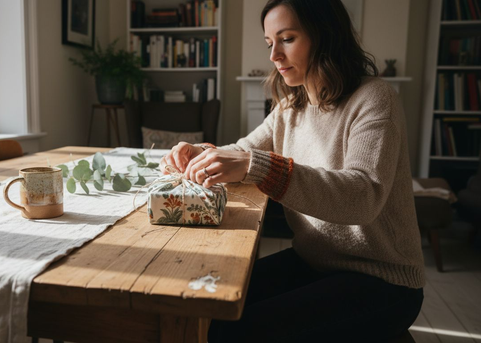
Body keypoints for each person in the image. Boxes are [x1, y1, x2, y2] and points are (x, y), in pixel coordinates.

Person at [160, 0, 425, 341]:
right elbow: (245, 149)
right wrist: (199, 152)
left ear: (325, 36)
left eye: (286, 39)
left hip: (383, 280)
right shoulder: (291, 105)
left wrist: (258, 167)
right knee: (208, 303)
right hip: (314, 261)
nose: (274, 56)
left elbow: (363, 195)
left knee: (233, 332)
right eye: (270, 43)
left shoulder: (374, 97)